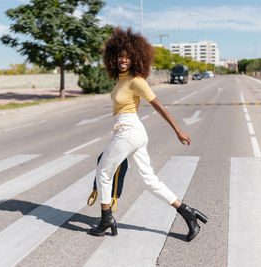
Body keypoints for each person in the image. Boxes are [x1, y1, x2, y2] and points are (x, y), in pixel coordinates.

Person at [88, 28, 207, 242]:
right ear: (113, 57)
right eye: (120, 56)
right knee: (149, 180)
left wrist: (177, 129)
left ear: (135, 59)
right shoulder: (120, 80)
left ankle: (106, 219)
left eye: (127, 57)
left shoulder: (136, 80)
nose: (123, 60)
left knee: (104, 173)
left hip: (128, 130)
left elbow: (158, 105)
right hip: (131, 132)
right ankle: (188, 213)